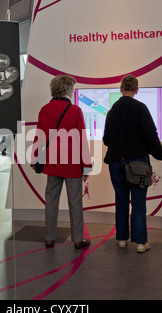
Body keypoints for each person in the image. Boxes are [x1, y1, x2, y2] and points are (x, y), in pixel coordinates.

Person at [103, 75, 162, 253]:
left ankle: (121, 239)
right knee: (138, 202)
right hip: (138, 163)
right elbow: (150, 134)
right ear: (136, 90)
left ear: (121, 88)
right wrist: (158, 154)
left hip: (115, 162)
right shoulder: (141, 108)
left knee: (121, 200)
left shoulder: (112, 111)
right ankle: (140, 242)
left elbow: (106, 139)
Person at [31, 75, 92, 250]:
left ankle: (49, 238)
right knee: (75, 202)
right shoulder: (75, 111)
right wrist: (86, 166)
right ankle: (78, 239)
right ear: (68, 90)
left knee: (51, 200)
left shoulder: (44, 109)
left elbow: (39, 136)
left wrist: (35, 158)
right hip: (72, 164)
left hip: (52, 163)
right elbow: (82, 140)